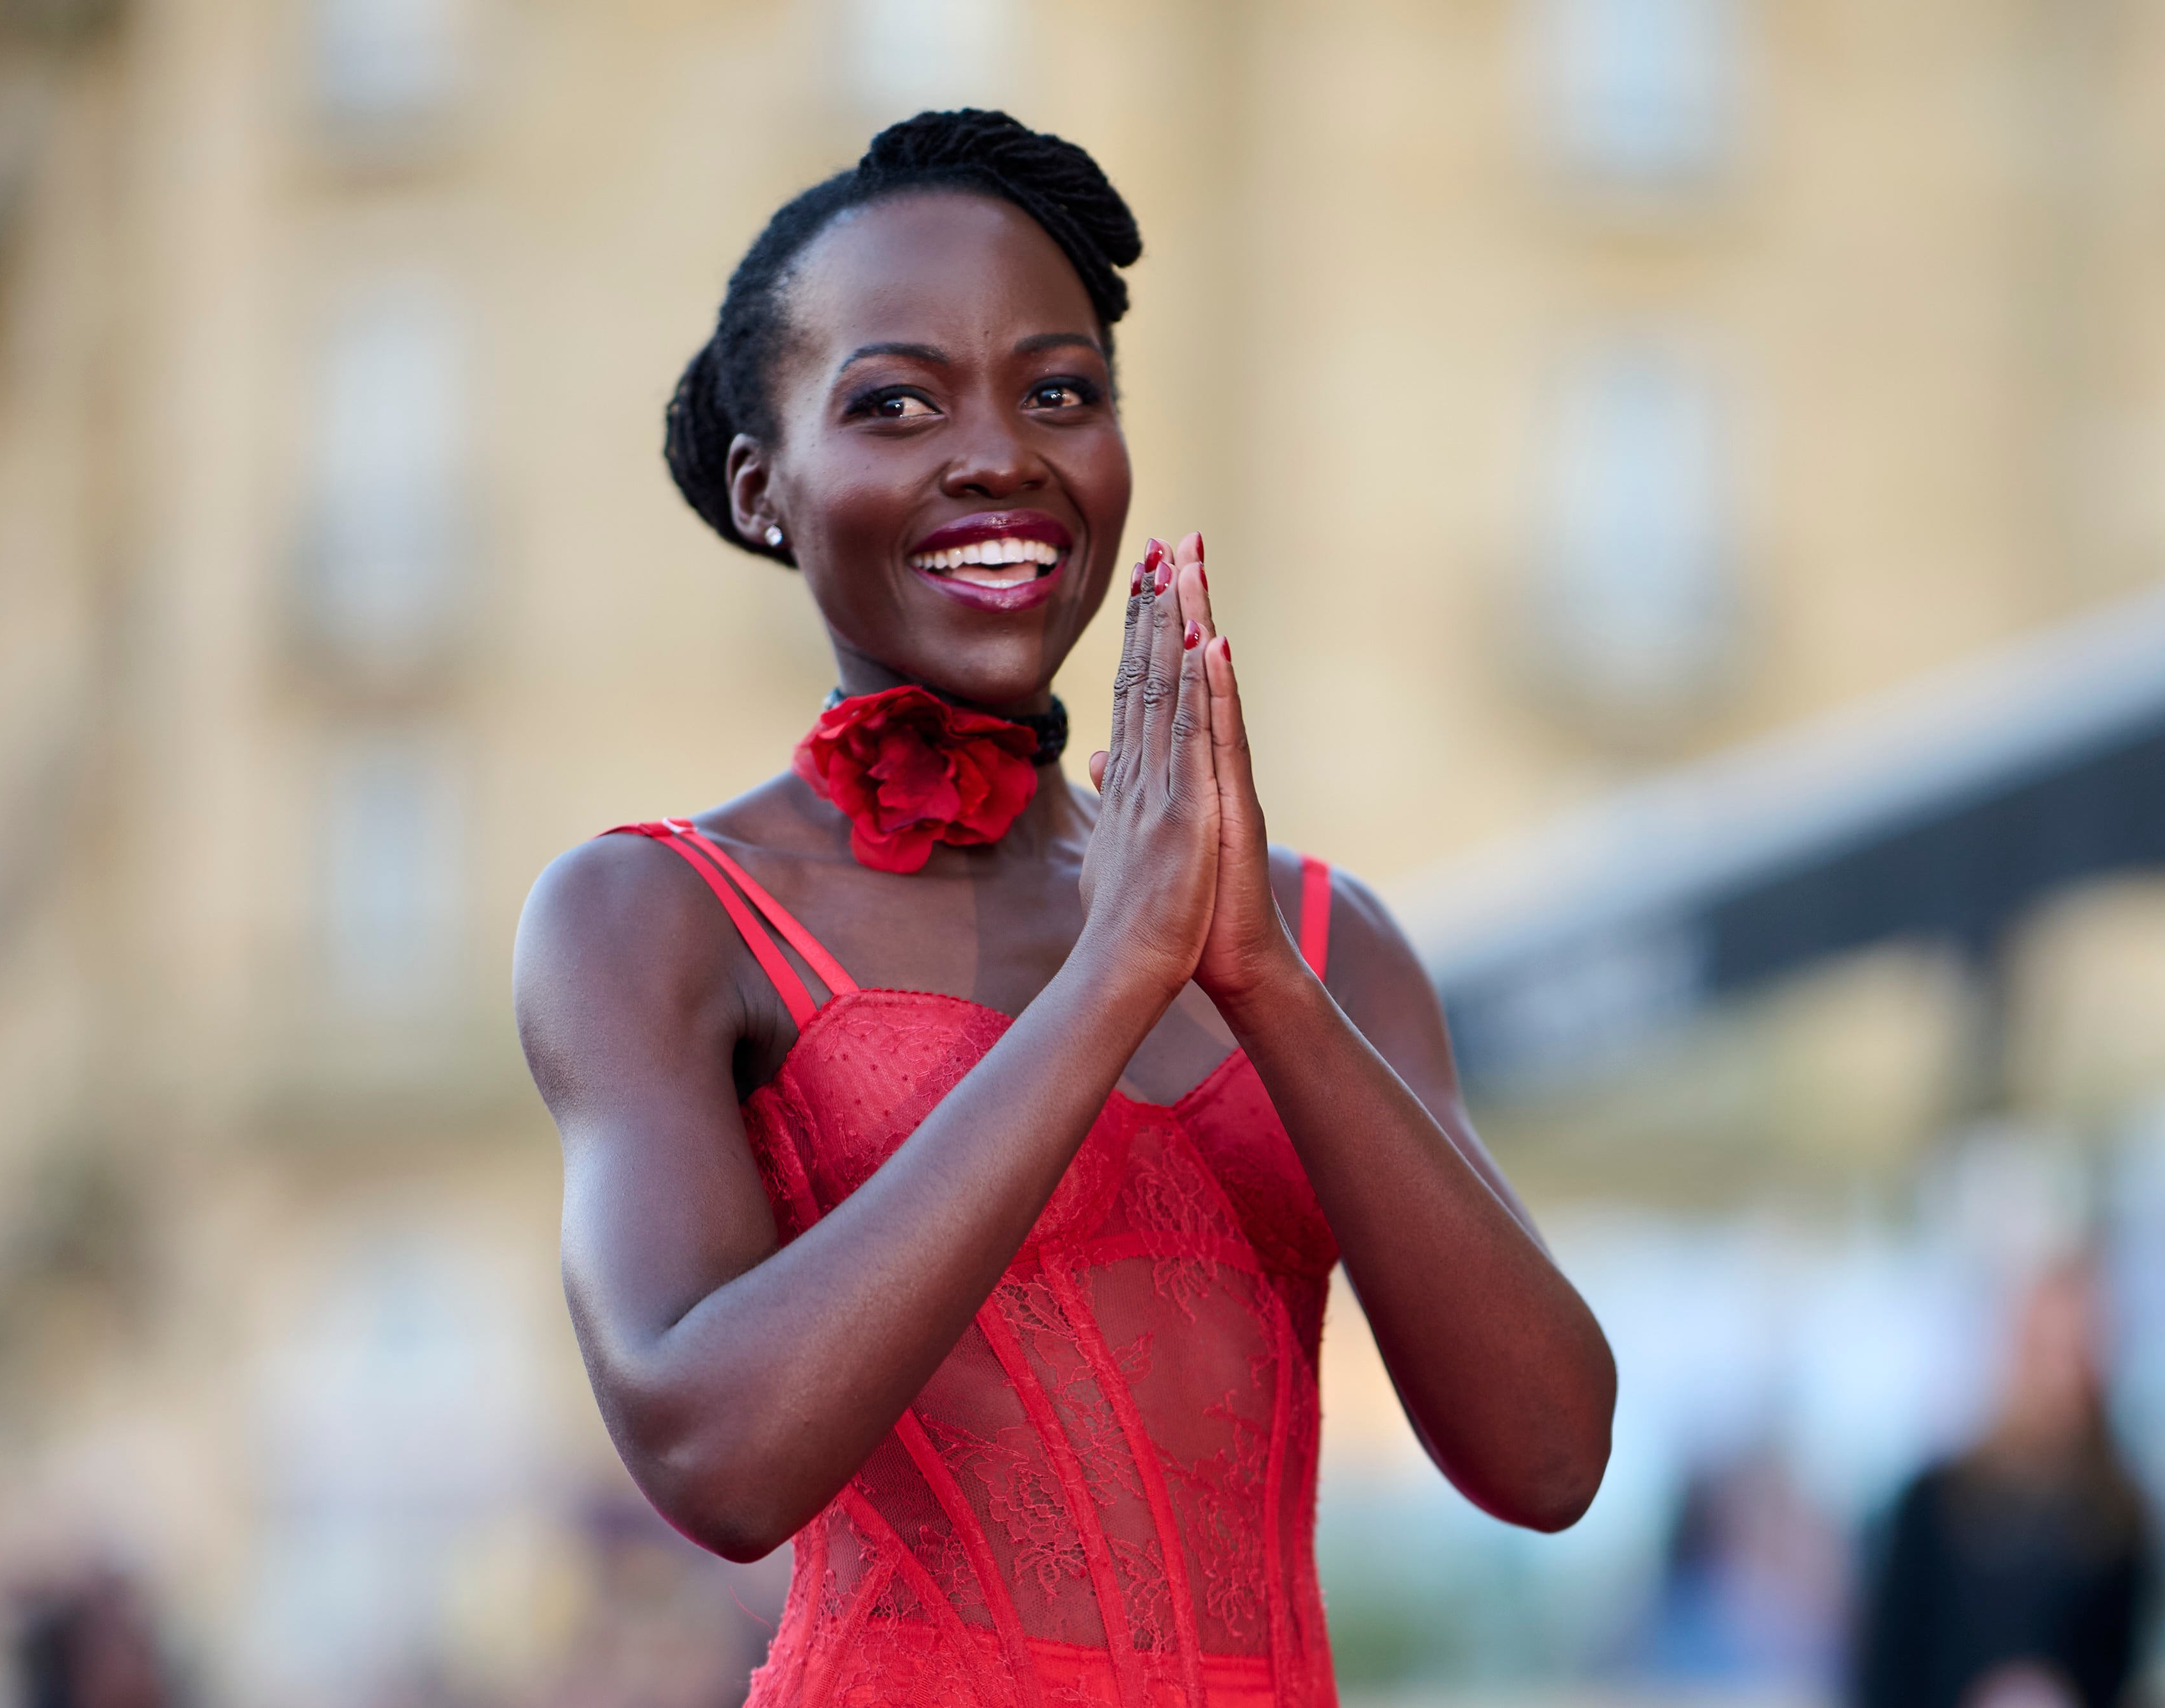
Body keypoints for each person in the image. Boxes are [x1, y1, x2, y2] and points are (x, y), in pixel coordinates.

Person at [514, 110, 1618, 1708]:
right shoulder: (653, 919)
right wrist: (1112, 982)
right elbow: (717, 1455)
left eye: (1059, 392)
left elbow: (1551, 1456)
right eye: (895, 402)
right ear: (764, 489)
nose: (999, 453)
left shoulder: (1321, 939)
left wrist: (1259, 986)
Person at [1851, 1260, 2161, 1708]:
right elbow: (1888, 1672)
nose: (2064, 1378)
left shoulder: (2121, 1519)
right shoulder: (1935, 1502)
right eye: (2048, 1353)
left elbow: (2124, 1674)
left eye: (2079, 1354)